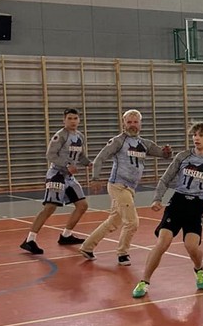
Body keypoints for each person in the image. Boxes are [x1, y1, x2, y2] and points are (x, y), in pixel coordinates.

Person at [132, 121, 203, 298]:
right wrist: (157, 198)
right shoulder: (183, 157)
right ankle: (144, 281)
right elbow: (165, 179)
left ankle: (199, 269)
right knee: (162, 243)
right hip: (177, 203)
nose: (196, 138)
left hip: (196, 206)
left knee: (191, 246)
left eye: (201, 135)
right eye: (194, 135)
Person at [79, 110, 172, 264]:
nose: (132, 125)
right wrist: (95, 178)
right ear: (123, 123)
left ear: (140, 124)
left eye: (135, 122)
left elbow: (163, 155)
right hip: (118, 186)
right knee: (132, 222)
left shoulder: (145, 144)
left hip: (130, 188)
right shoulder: (118, 141)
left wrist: (167, 152)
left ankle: (87, 247)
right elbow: (99, 159)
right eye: (129, 122)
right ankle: (122, 253)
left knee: (113, 221)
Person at [20, 108, 92, 255]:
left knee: (82, 205)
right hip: (57, 174)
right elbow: (50, 155)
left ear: (79, 120)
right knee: (50, 207)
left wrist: (89, 163)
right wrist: (67, 165)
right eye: (69, 118)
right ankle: (30, 239)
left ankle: (66, 235)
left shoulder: (80, 136)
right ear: (64, 120)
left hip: (69, 177)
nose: (72, 121)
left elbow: (80, 156)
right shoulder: (60, 135)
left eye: (75, 118)